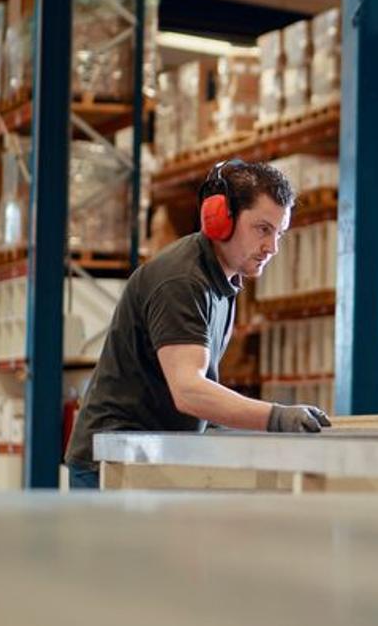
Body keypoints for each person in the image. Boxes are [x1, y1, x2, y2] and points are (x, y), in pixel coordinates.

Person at [64, 160, 331, 489]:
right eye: (263, 229)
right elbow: (189, 391)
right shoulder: (183, 280)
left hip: (150, 456)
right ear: (222, 218)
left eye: (279, 233)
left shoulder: (222, 281)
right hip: (111, 465)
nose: (272, 247)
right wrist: (275, 417)